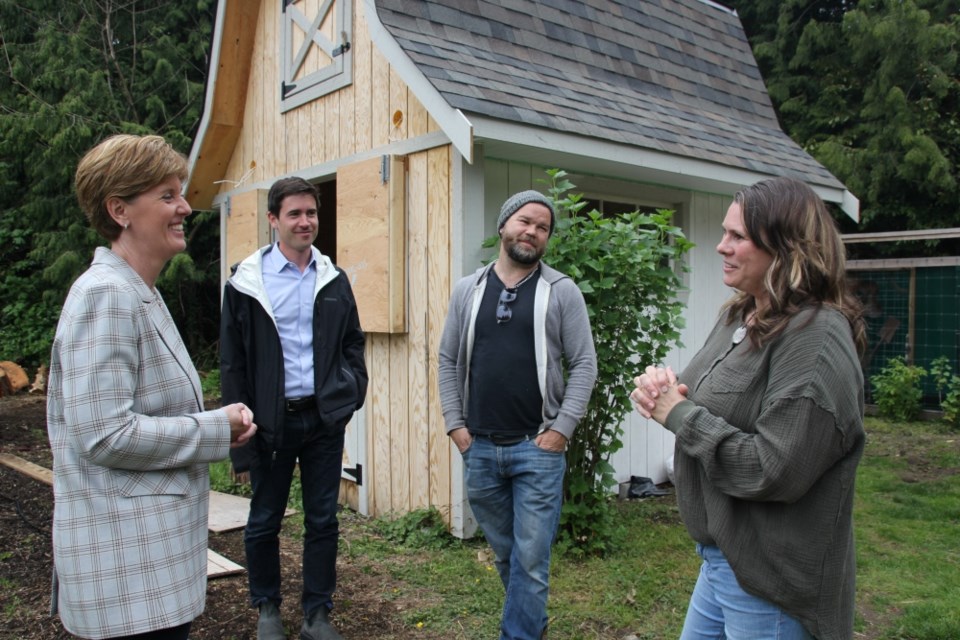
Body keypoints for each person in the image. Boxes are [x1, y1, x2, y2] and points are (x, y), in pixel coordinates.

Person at [631, 176, 867, 640]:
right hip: (724, 560)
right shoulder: (740, 315)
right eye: (724, 233)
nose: (721, 246)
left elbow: (775, 469)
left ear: (787, 248)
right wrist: (668, 389)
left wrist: (677, 415)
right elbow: (718, 399)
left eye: (737, 236)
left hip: (772, 579)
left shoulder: (815, 338)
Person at [47, 134, 257, 640]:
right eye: (167, 195)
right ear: (119, 209)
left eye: (179, 193)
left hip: (144, 568)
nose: (185, 206)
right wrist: (214, 430)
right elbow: (103, 435)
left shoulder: (139, 292)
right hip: (126, 574)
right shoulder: (107, 297)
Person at [438, 190, 598, 640]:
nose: (532, 231)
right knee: (508, 556)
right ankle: (532, 624)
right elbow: (447, 359)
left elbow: (584, 363)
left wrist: (561, 430)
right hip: (480, 448)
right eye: (525, 221)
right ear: (504, 225)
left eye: (543, 227)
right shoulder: (467, 290)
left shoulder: (561, 291)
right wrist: (456, 426)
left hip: (538, 447)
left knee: (531, 559)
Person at [220, 176, 368, 640]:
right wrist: (240, 442)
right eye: (295, 214)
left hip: (323, 420)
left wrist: (348, 395)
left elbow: (352, 344)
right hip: (271, 422)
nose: (306, 222)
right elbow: (233, 363)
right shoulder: (246, 284)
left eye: (312, 213)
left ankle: (316, 616)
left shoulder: (333, 279)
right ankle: (267, 608)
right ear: (273, 220)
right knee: (264, 518)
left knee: (323, 519)